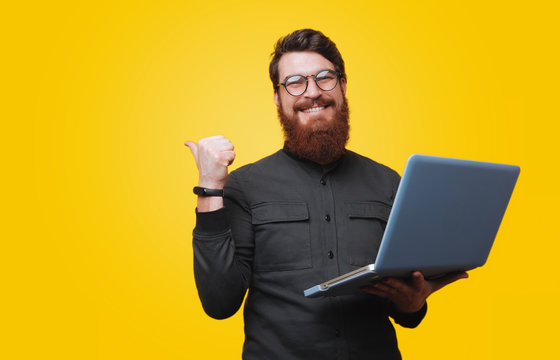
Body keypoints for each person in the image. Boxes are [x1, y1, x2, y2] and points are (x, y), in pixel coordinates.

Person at [185, 29, 467, 360]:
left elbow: (405, 308)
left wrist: (412, 304)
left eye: (324, 78)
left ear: (343, 86)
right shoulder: (244, 186)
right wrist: (209, 186)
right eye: (295, 82)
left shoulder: (389, 183)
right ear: (278, 98)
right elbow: (219, 303)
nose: (313, 93)